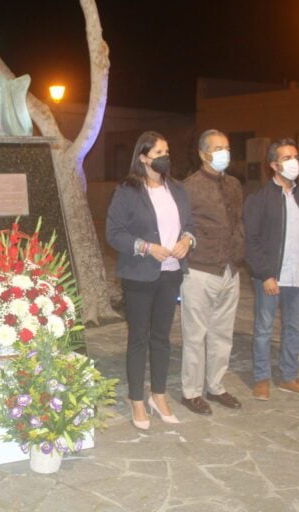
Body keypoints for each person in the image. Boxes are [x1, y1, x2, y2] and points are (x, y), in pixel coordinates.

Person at [106, 131, 195, 430]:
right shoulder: (127, 190)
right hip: (139, 275)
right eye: (158, 153)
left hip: (171, 273)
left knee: (162, 338)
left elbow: (189, 224)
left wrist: (187, 240)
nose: (164, 157)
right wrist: (146, 247)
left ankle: (158, 395)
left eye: (166, 151)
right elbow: (114, 233)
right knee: (138, 338)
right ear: (143, 157)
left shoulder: (178, 189)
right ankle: (136, 399)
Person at [243, 138, 299, 400]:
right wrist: (265, 274)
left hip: (297, 276)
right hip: (270, 277)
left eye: (295, 156)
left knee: (293, 329)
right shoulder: (259, 199)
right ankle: (261, 378)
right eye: (287, 158)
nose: (294, 162)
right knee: (264, 329)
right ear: (274, 165)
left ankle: (289, 376)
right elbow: (251, 241)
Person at [179, 130, 244, 415]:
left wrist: (239, 250)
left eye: (226, 147)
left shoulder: (234, 184)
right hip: (200, 270)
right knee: (195, 335)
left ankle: (216, 386)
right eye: (218, 148)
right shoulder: (189, 187)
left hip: (229, 269)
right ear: (203, 153)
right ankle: (191, 392)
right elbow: (182, 227)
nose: (223, 153)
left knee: (222, 334)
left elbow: (238, 221)